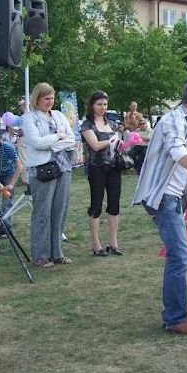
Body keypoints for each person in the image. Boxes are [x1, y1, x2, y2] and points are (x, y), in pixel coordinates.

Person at [132, 76, 187, 335]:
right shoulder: (172, 120)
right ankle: (176, 318)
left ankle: (178, 310)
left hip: (176, 195)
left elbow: (186, 162)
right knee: (179, 255)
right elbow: (177, 152)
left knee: (179, 255)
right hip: (162, 196)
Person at [22, 82, 76, 268]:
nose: (50, 101)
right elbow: (36, 142)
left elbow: (70, 139)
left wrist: (53, 143)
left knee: (59, 211)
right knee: (42, 212)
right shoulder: (29, 118)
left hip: (63, 167)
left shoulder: (59, 115)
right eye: (46, 98)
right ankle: (40, 255)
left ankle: (57, 253)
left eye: (52, 98)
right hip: (43, 169)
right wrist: (57, 137)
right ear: (37, 98)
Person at [80, 91, 123, 257]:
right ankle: (96, 244)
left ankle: (113, 243)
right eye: (99, 104)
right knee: (96, 205)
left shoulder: (111, 124)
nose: (103, 107)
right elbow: (95, 145)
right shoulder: (87, 125)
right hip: (96, 167)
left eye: (105, 104)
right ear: (92, 105)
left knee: (114, 206)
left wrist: (123, 144)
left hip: (114, 167)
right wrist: (112, 141)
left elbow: (118, 145)